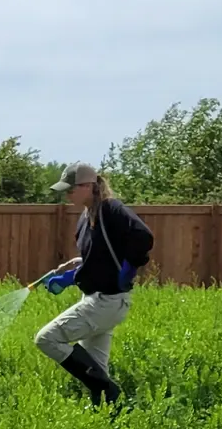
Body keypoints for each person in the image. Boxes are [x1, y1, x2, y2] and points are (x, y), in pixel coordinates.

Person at [34, 162, 153, 404]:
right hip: (95, 299)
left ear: (88, 186)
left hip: (107, 301)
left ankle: (110, 391)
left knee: (46, 339)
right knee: (97, 368)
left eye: (71, 189)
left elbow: (143, 237)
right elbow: (100, 256)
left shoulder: (111, 209)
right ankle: (110, 413)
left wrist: (128, 268)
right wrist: (74, 269)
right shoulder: (86, 216)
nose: (67, 194)